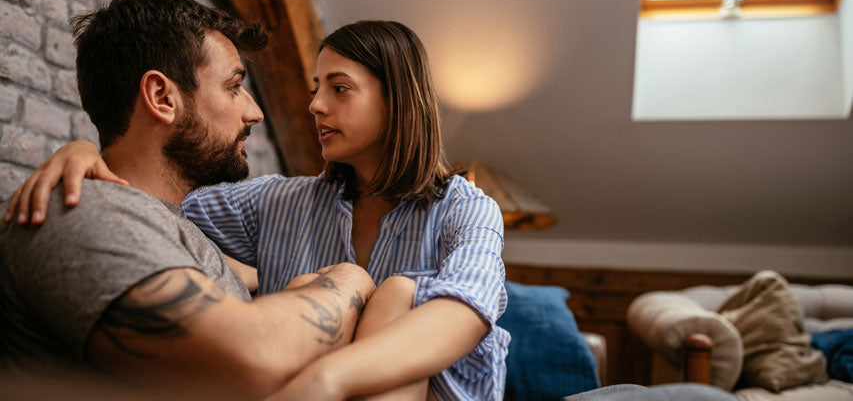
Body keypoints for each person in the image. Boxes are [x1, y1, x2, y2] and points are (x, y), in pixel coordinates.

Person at [9, 20, 511, 400]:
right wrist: (83, 152)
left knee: (403, 291)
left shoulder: (466, 210)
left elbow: (467, 309)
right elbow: (149, 193)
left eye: (338, 88)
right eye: (315, 88)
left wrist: (326, 378)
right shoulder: (277, 202)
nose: (314, 105)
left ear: (398, 100)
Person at [0, 0, 380, 400]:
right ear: (163, 98)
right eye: (234, 87)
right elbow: (250, 357)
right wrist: (351, 278)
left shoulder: (169, 225)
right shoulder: (83, 211)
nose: (254, 112)